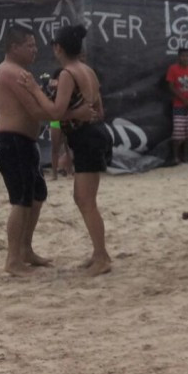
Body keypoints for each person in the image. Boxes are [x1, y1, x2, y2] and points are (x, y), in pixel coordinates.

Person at [0, 26, 95, 277]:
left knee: (37, 195)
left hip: (23, 142)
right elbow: (39, 112)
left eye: (36, 45)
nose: (35, 50)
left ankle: (25, 249)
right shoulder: (10, 72)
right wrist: (74, 113)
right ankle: (12, 259)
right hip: (11, 141)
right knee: (21, 200)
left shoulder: (20, 72)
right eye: (30, 45)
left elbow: (40, 108)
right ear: (14, 47)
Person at [21, 25, 112, 276]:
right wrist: (79, 115)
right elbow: (99, 111)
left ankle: (102, 256)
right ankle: (98, 252)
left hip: (87, 138)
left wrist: (34, 90)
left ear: (57, 48)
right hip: (95, 134)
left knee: (86, 201)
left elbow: (57, 112)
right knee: (83, 199)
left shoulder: (67, 74)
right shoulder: (88, 71)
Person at [165, 48, 188, 164]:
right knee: (178, 131)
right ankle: (175, 157)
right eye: (183, 56)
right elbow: (171, 86)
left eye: (187, 56)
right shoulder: (173, 69)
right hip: (179, 105)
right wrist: (183, 99)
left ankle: (185, 155)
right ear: (178, 57)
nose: (185, 58)